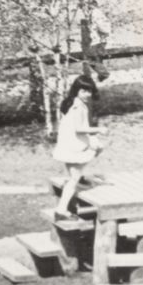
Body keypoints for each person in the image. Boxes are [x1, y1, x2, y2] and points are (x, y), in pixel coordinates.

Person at [52, 75, 105, 219]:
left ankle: (79, 175)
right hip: (73, 144)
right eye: (83, 91)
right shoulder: (77, 106)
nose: (87, 95)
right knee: (73, 179)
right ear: (76, 90)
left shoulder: (74, 103)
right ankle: (61, 210)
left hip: (71, 142)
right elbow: (78, 129)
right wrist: (98, 130)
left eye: (89, 91)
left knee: (98, 146)